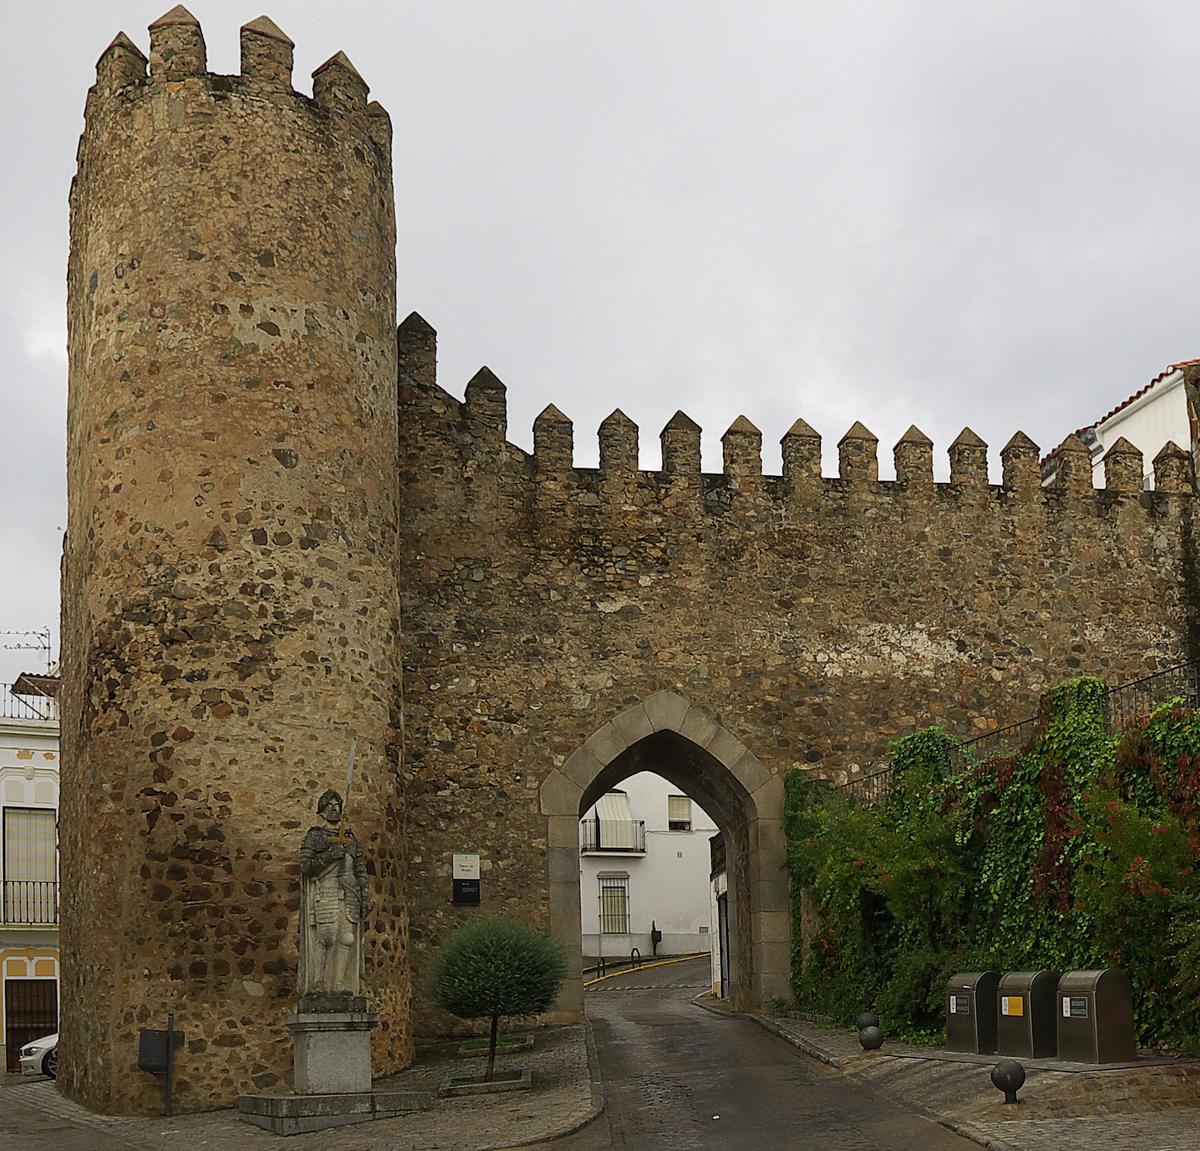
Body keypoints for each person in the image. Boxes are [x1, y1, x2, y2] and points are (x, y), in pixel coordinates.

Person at [299, 788, 369, 997]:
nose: (335, 810)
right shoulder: (315, 836)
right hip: (327, 890)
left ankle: (338, 983)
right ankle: (318, 983)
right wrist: (330, 855)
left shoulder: (350, 838)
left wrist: (365, 893)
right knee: (327, 937)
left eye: (338, 806)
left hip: (349, 891)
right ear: (322, 811)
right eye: (330, 806)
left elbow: (360, 868)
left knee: (347, 938)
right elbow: (306, 866)